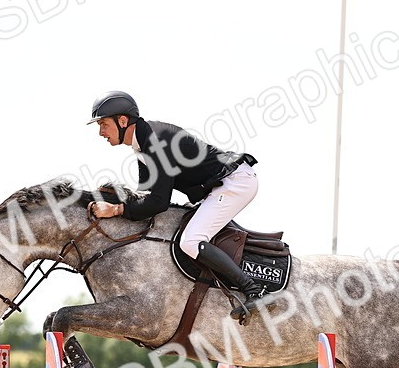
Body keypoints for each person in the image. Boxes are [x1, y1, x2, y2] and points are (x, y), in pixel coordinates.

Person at [86, 90, 270, 321]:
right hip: (221, 185)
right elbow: (145, 194)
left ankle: (254, 290)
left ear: (122, 121)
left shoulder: (156, 142)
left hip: (234, 184)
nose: (101, 132)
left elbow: (158, 202)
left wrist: (116, 210)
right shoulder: (142, 143)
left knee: (191, 241)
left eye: (103, 124)